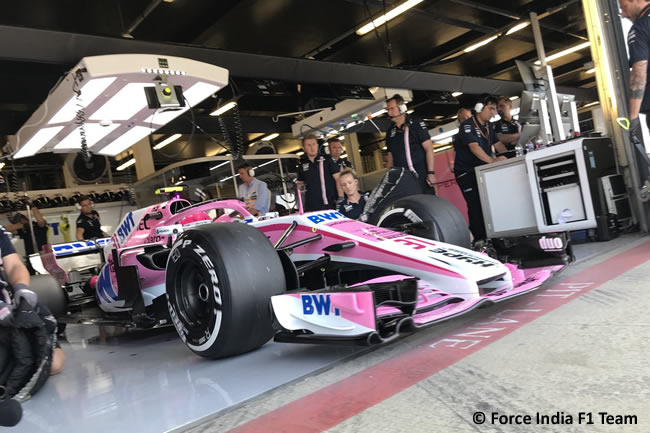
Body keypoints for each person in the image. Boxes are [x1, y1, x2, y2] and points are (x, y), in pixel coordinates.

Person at [454, 94, 508, 241]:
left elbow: (498, 145)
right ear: (479, 108)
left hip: (482, 172)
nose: (493, 113)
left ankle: (493, 236)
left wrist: (509, 157)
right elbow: (474, 147)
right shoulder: (467, 126)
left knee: (488, 204)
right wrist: (492, 161)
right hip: (466, 173)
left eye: (494, 109)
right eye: (490, 109)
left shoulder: (489, 126)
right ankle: (480, 240)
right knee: (476, 206)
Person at [620, 0, 650, 186]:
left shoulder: (639, 28)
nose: (622, 14)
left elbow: (639, 73)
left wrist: (632, 118)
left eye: (623, 7)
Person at [384, 94, 436, 195]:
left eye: (392, 109)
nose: (389, 113)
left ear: (402, 108)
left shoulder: (416, 123)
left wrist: (431, 173)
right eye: (387, 110)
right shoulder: (390, 132)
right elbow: (390, 157)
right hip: (404, 180)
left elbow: (429, 149)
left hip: (421, 176)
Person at [296, 134, 342, 211]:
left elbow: (338, 179)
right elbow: (300, 187)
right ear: (304, 148)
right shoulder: (302, 165)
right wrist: (301, 206)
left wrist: (341, 198)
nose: (312, 147)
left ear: (317, 145)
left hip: (330, 204)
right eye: (308, 145)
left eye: (314, 144)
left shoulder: (328, 160)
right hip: (311, 207)